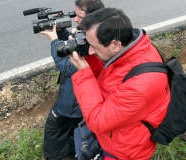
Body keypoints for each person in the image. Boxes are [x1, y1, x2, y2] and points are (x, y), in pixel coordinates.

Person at [69, 8, 170, 160]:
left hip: (123, 152)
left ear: (115, 44)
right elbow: (106, 77)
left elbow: (97, 121)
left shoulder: (140, 86)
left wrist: (83, 72)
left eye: (93, 46)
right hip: (115, 136)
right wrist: (86, 56)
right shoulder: (132, 49)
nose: (90, 51)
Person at [39, 0, 104, 160]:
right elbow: (71, 43)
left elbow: (66, 65)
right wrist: (61, 31)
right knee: (75, 131)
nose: (75, 19)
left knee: (54, 133)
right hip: (84, 97)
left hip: (72, 101)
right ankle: (73, 154)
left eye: (79, 16)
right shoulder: (97, 31)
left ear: (91, 17)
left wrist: (54, 40)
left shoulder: (92, 41)